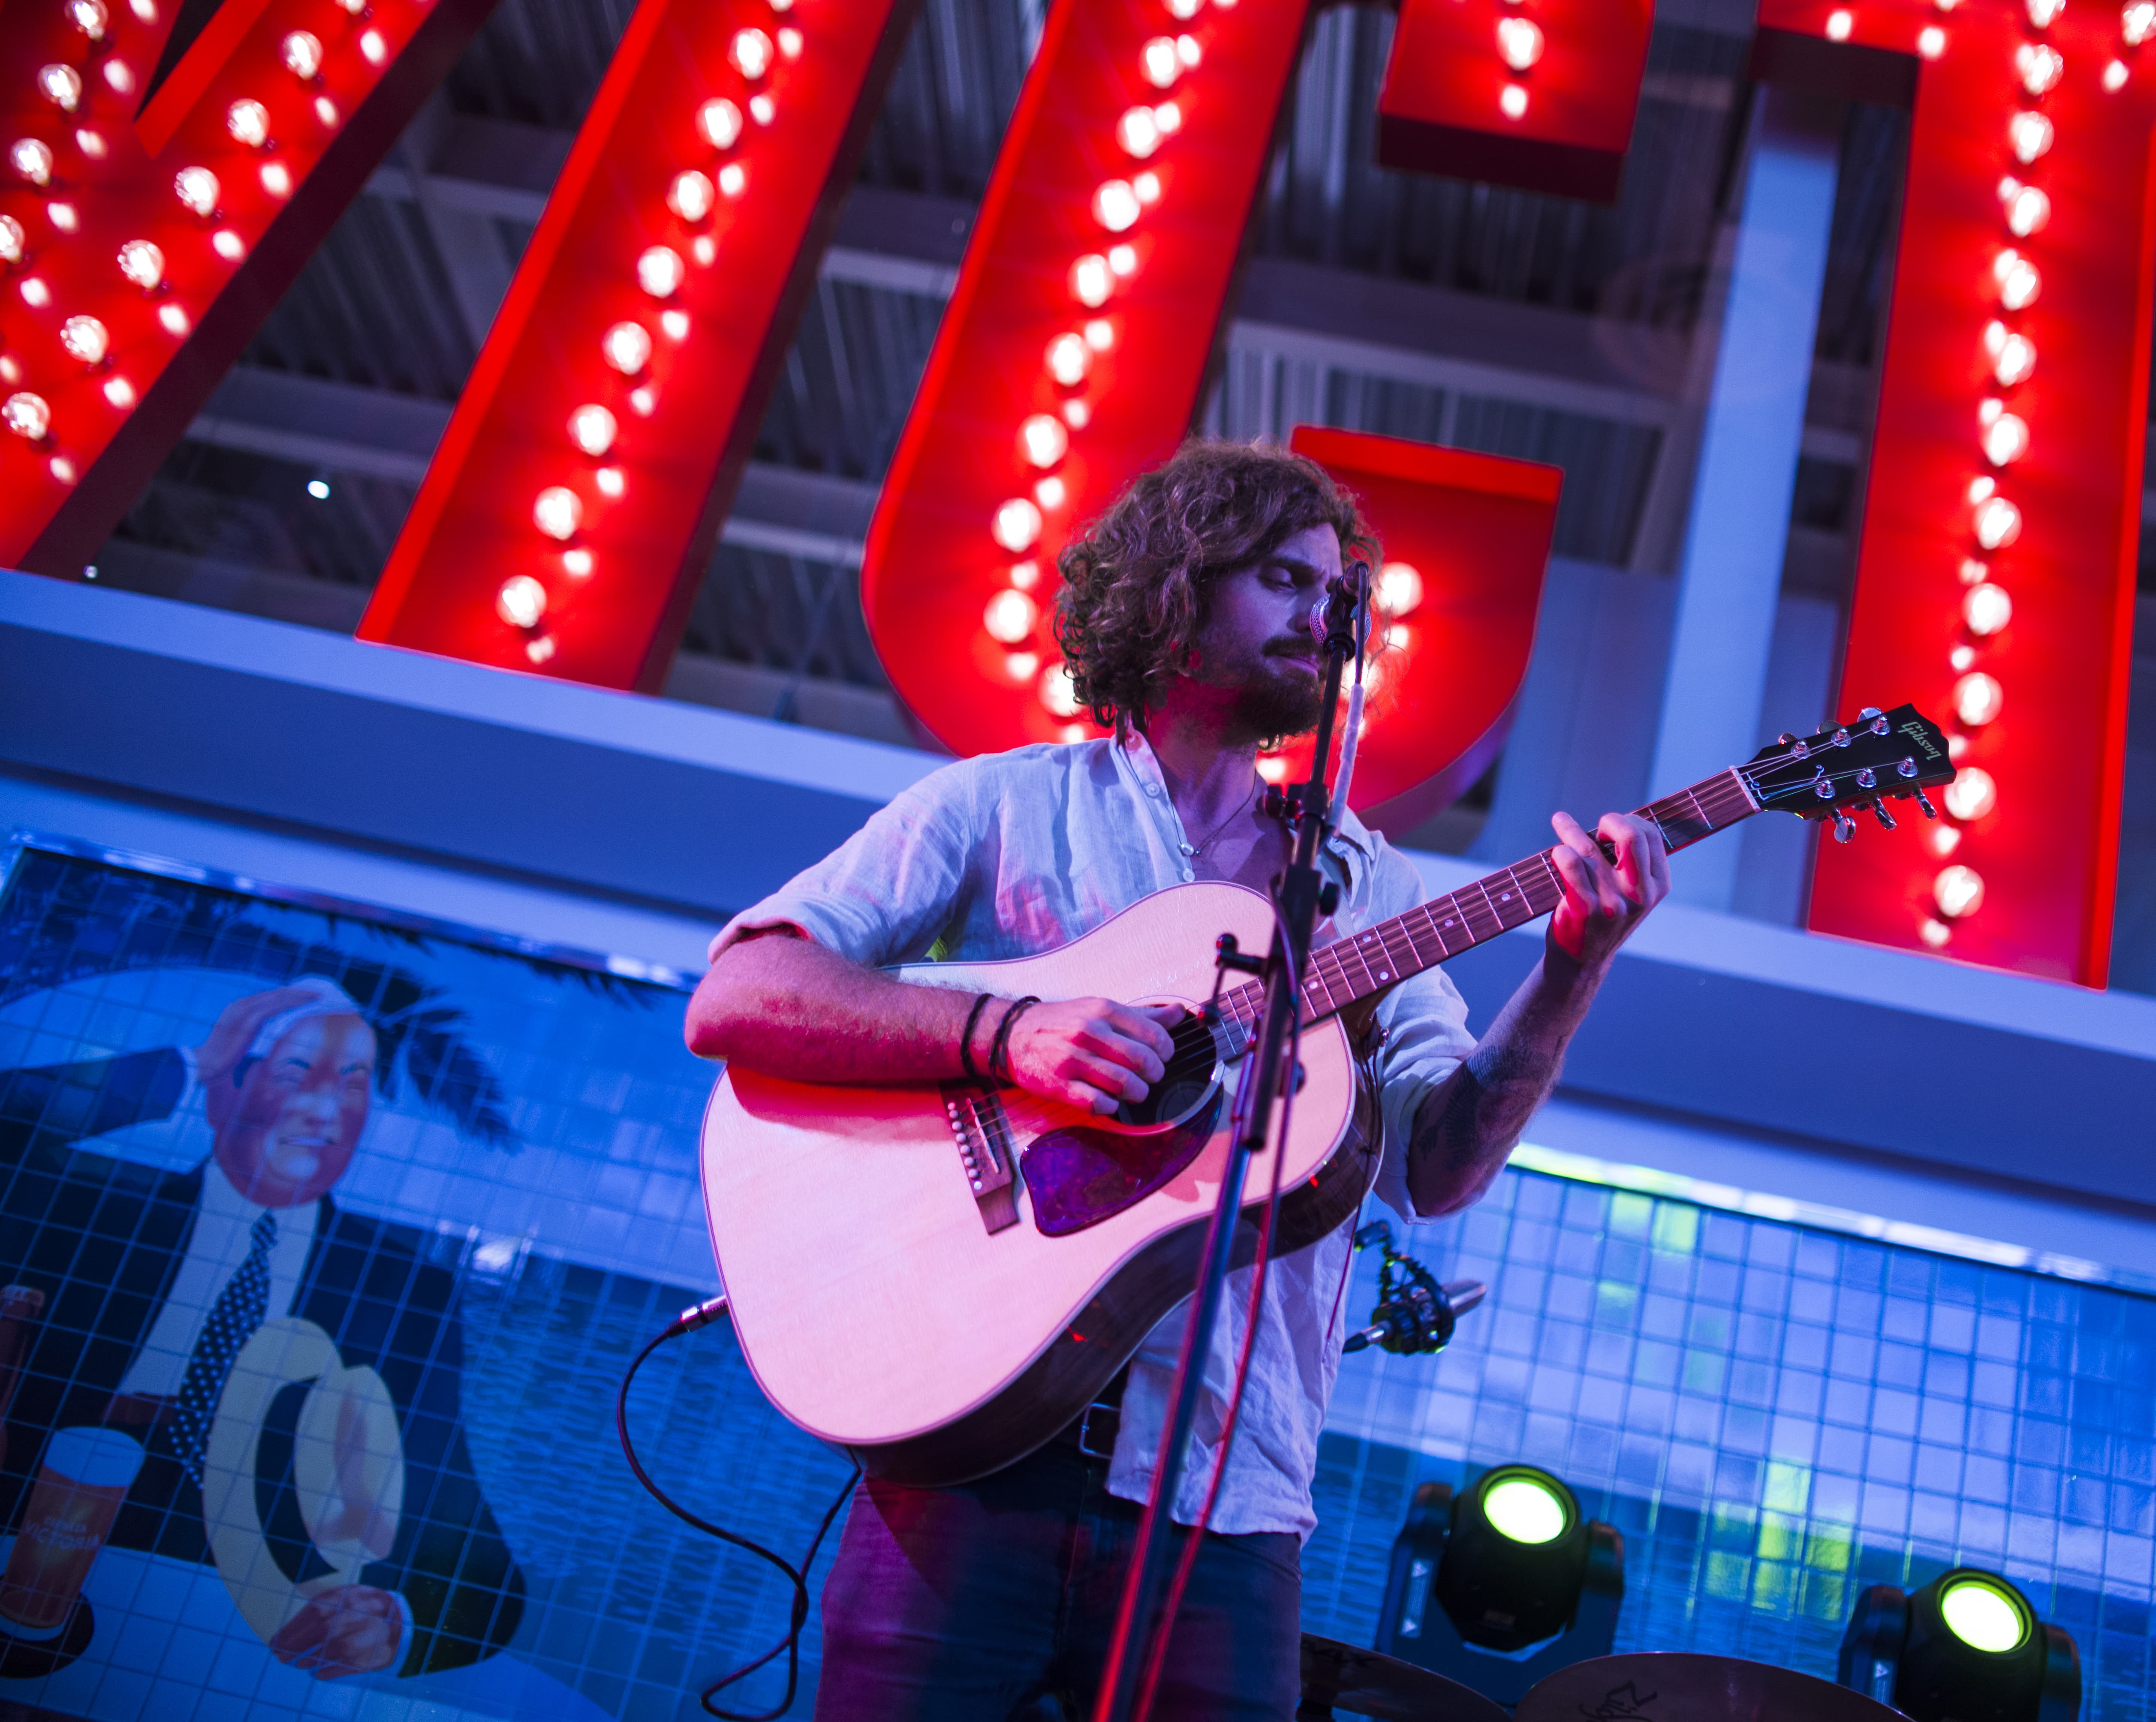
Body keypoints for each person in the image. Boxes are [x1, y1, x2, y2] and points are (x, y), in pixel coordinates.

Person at [686, 441, 1670, 1721]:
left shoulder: (1363, 886)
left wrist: (1573, 971)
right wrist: (1005, 1035)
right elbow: (743, 996)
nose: (1327, 616)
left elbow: (1439, 1169)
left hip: (1227, 1504)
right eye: (1282, 578)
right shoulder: (1001, 806)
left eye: (1336, 592)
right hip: (970, 1469)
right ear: (1173, 591)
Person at [0, 978, 525, 1680]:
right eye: (296, 1071)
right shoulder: (87, 1216)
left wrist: (394, 1627)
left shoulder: (404, 1294)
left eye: (355, 1084)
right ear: (226, 1091)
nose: (323, 1110)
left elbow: (473, 1559)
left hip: (231, 1641)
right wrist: (184, 1064)